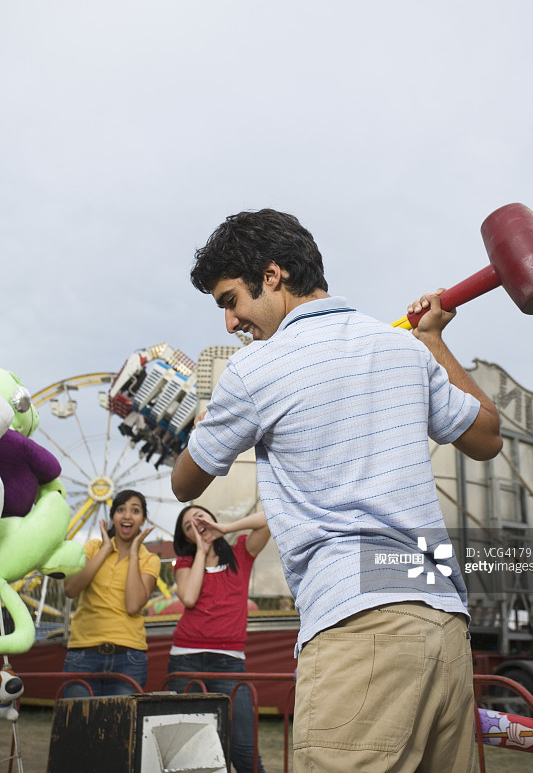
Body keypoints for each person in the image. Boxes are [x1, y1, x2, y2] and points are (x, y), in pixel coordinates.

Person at [171, 209, 503, 773]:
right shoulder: (402, 349)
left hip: (358, 627)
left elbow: (185, 482)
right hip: (444, 623)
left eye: (231, 300)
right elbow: (488, 436)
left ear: (272, 275)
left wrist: (208, 420)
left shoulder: (255, 370)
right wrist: (433, 341)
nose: (230, 323)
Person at [167, 505, 270, 773]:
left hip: (229, 663)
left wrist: (226, 528)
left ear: (212, 519)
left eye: (200, 518)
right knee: (187, 751)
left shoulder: (241, 553)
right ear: (186, 537)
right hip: (185, 661)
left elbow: (270, 517)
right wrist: (201, 551)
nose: (196, 525)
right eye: (188, 526)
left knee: (244, 749)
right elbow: (189, 597)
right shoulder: (185, 563)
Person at [62, 489, 160, 696]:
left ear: (143, 520)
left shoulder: (149, 560)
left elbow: (133, 605)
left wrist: (134, 553)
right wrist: (105, 551)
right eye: (121, 509)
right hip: (83, 652)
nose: (127, 515)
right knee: (79, 724)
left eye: (135, 511)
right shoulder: (92, 547)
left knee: (121, 726)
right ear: (113, 518)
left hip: (129, 657)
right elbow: (70, 589)